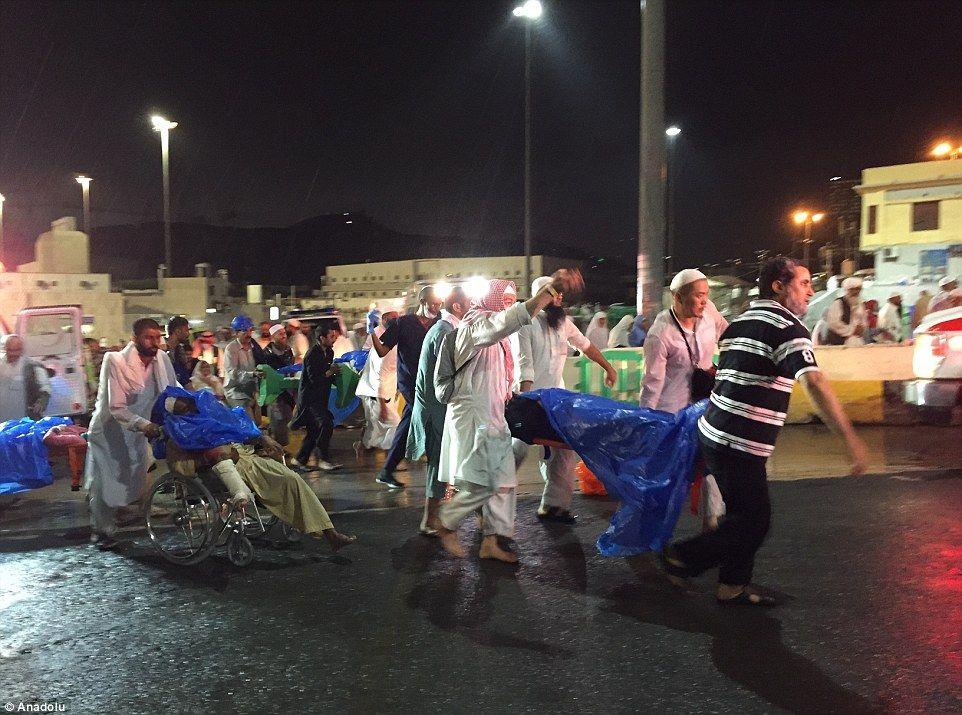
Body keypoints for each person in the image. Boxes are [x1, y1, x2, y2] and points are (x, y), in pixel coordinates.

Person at [662, 257, 869, 606]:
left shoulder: (739, 322)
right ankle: (682, 557)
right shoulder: (787, 328)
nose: (811, 291)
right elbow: (814, 381)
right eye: (803, 283)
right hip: (737, 442)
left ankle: (732, 586)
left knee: (743, 514)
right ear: (778, 286)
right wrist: (849, 439)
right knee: (754, 521)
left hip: (716, 433)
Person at [435, 269, 585, 563]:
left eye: (511, 301)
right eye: (504, 302)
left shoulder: (499, 337)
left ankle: (492, 541)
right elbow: (505, 322)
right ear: (489, 302)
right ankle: (446, 521)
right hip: (474, 416)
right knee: (486, 480)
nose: (509, 306)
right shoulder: (476, 326)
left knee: (504, 481)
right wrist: (547, 291)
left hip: (494, 415)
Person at [156, 392, 356, 551]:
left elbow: (240, 431)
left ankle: (329, 533)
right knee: (280, 484)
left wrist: (261, 440)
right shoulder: (177, 436)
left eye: (191, 405)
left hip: (247, 457)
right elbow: (184, 469)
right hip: (225, 468)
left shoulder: (209, 421)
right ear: (177, 412)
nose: (192, 408)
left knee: (292, 479)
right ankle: (328, 533)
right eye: (186, 406)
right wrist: (210, 455)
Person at [516, 276, 618, 523]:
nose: (559, 297)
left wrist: (608, 368)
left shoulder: (564, 323)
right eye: (553, 293)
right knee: (514, 451)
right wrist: (527, 405)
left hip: (557, 401)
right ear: (541, 294)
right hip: (529, 399)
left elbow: (586, 346)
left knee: (564, 451)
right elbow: (525, 367)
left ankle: (553, 506)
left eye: (560, 293)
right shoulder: (525, 324)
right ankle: (489, 502)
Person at [640, 268, 729, 530]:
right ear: (677, 297)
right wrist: (646, 420)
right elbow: (652, 383)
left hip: (705, 406)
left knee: (711, 463)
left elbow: (726, 332)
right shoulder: (660, 334)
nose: (704, 300)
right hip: (673, 413)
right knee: (669, 471)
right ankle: (653, 522)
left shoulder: (709, 311)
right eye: (698, 296)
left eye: (706, 295)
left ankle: (711, 522)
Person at [85, 318, 178, 550]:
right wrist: (145, 425)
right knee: (105, 482)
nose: (155, 342)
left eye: (158, 337)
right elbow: (117, 407)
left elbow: (173, 391)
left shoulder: (162, 359)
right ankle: (101, 531)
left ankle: (121, 512)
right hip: (109, 432)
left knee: (132, 478)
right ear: (134, 339)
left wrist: (195, 403)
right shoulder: (114, 361)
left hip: (138, 432)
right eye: (149, 337)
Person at [406, 287, 470, 535]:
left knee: (444, 464)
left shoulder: (441, 329)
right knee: (438, 464)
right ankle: (429, 520)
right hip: (436, 411)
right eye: (468, 303)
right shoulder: (446, 332)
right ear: (457, 307)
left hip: (435, 408)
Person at [370, 286, 441, 489]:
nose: (436, 307)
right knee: (425, 421)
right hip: (411, 383)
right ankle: (438, 473)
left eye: (439, 304)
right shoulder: (403, 323)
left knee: (409, 423)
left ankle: (387, 470)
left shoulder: (439, 322)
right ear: (422, 301)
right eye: (433, 303)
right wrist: (372, 332)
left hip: (433, 382)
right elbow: (383, 350)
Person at [290, 323, 342, 472]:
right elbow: (314, 378)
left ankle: (300, 459)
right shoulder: (313, 354)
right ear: (321, 338)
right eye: (331, 336)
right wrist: (330, 372)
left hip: (321, 396)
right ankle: (323, 459)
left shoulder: (329, 352)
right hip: (310, 398)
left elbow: (327, 375)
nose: (334, 339)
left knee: (313, 430)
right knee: (326, 423)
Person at [354, 310, 400, 464]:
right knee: (394, 425)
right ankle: (390, 463)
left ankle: (361, 446)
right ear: (385, 320)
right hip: (376, 394)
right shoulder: (383, 347)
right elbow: (378, 377)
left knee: (373, 429)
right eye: (394, 318)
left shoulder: (389, 342)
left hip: (382, 394)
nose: (397, 320)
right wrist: (383, 405)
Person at [260, 324, 296, 447]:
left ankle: (280, 445)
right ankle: (278, 447)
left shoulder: (288, 350)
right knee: (278, 418)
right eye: (280, 334)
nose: (283, 336)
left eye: (284, 333)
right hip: (274, 391)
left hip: (288, 390)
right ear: (273, 336)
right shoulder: (266, 354)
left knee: (286, 418)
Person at [0, 335, 51, 423]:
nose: (13, 353)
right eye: (10, 350)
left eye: (16, 350)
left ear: (22, 350)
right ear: (5, 349)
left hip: (26, 419)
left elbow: (45, 388)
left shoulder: (34, 366)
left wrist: (41, 403)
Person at [223, 315, 260, 421]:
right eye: (245, 331)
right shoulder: (231, 349)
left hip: (252, 391)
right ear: (236, 332)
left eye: (250, 331)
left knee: (258, 423)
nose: (249, 334)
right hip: (236, 392)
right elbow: (232, 372)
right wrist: (251, 374)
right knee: (249, 425)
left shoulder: (254, 347)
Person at [822, 276, 867, 345]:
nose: (855, 292)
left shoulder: (860, 304)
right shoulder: (838, 303)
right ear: (847, 290)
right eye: (853, 289)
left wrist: (862, 328)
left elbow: (864, 320)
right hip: (839, 342)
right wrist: (852, 330)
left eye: (858, 289)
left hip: (857, 341)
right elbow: (833, 323)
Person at [166, 316, 195, 387]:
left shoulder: (180, 350)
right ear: (178, 331)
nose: (188, 334)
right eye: (186, 330)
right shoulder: (163, 352)